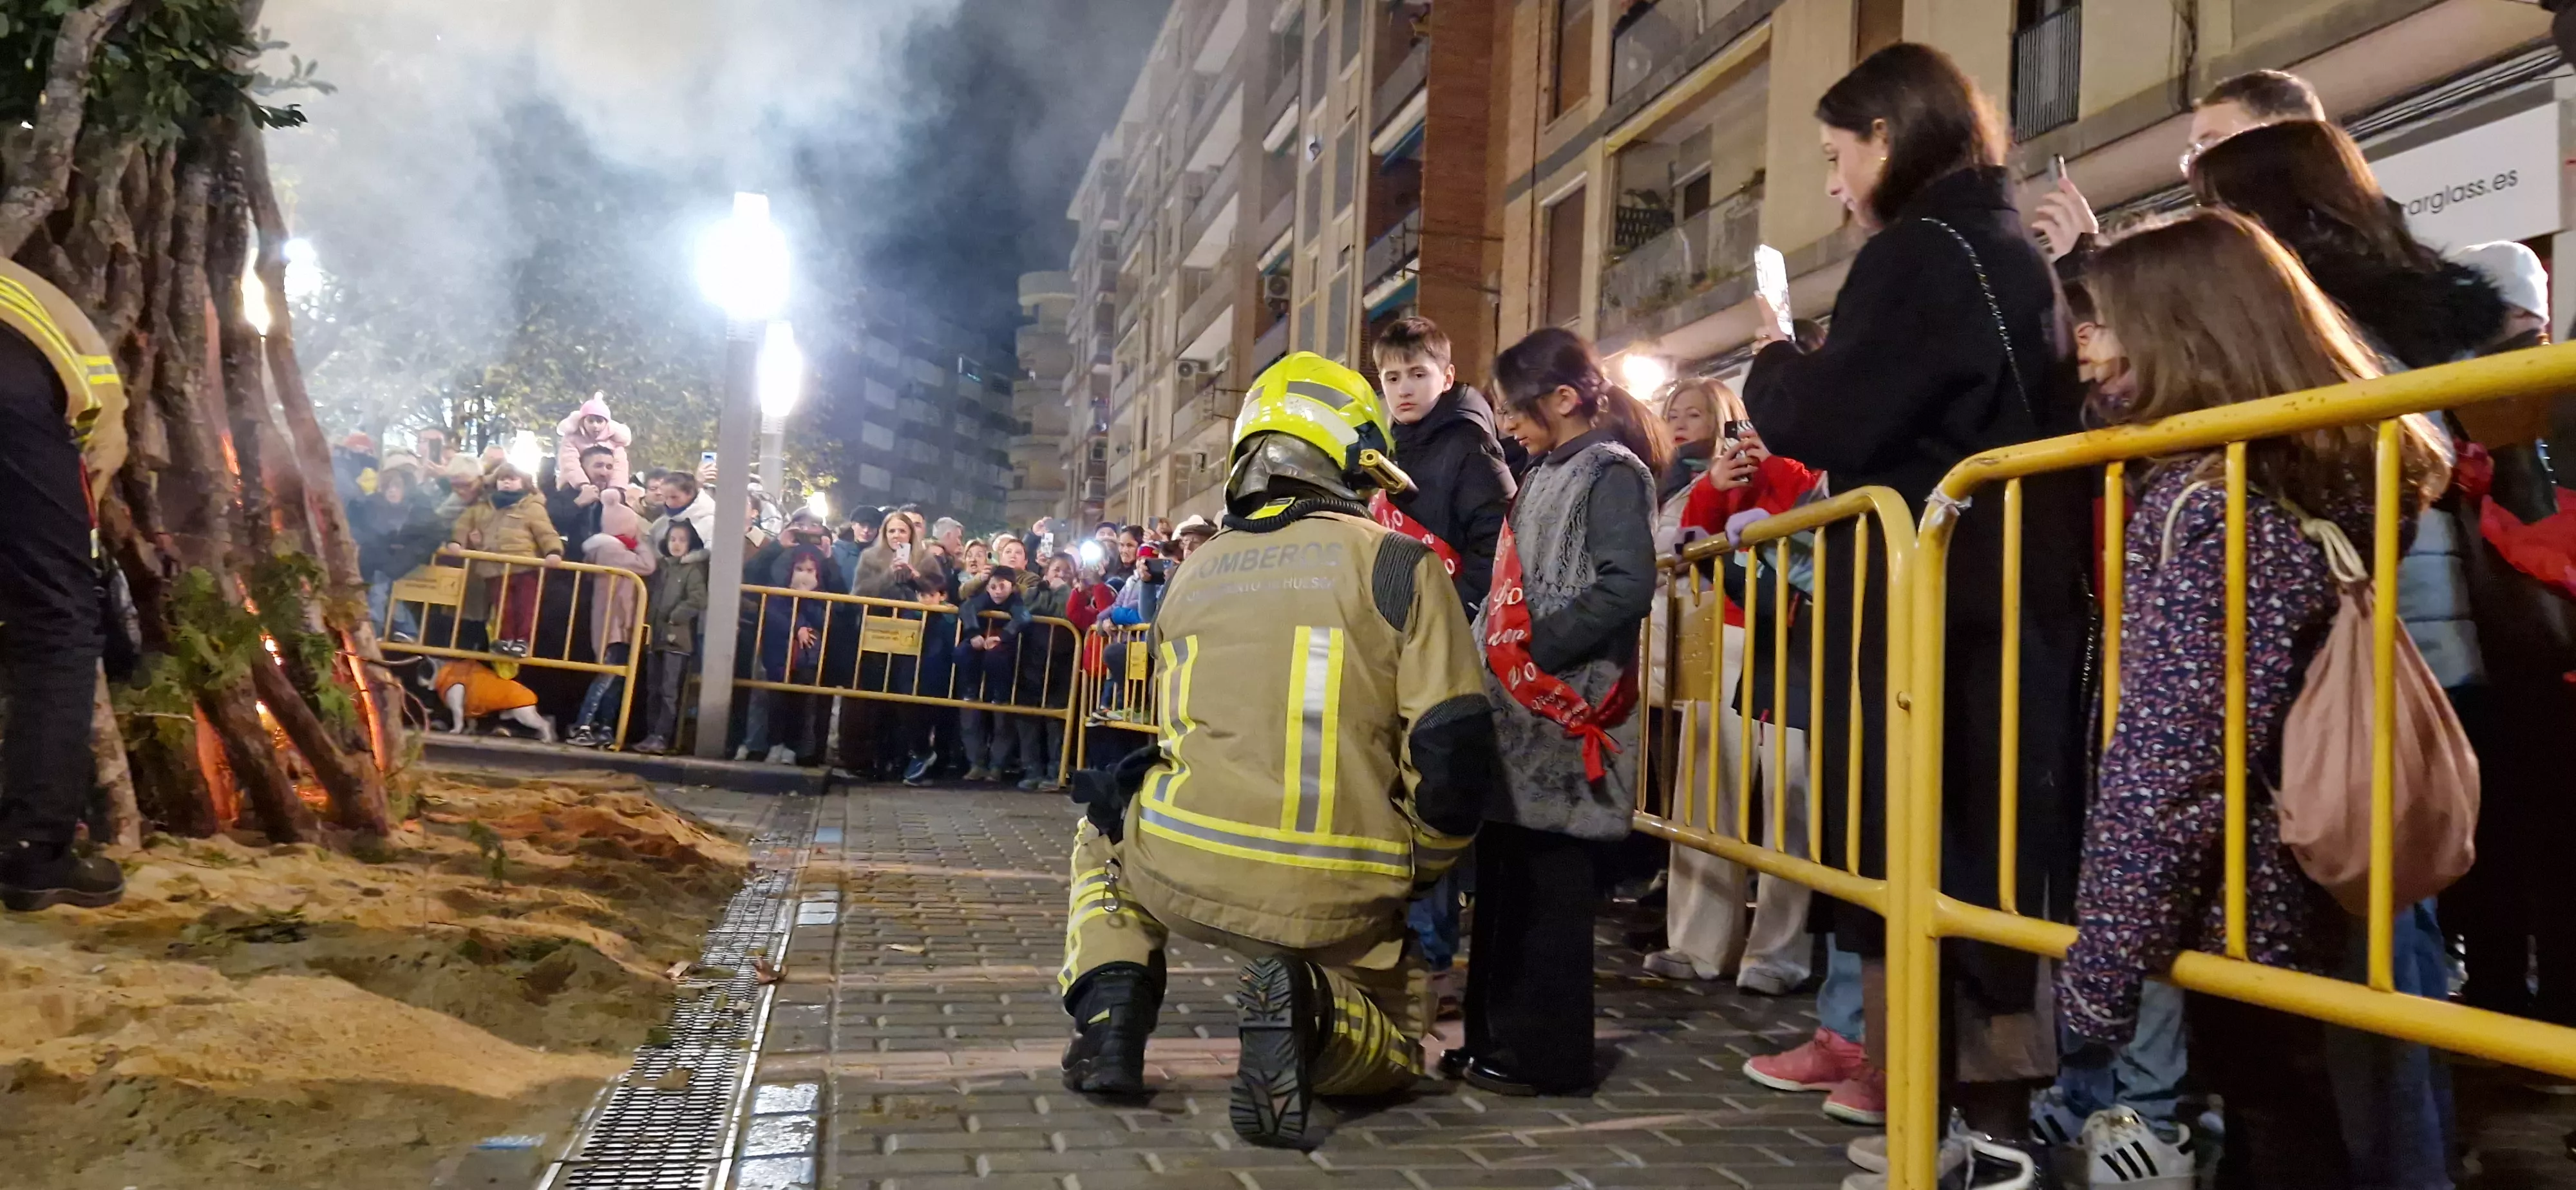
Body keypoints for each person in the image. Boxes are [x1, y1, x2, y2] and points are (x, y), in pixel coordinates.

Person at [1738, 42, 2094, 1166]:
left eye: (1838, 157)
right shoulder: (1991, 246)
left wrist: (1770, 359)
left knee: (1951, 871)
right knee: (1966, 871)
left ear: (1887, 137)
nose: (1835, 185)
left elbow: (1834, 418)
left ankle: (1977, 1137)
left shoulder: (1925, 252)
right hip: (1993, 612)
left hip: (1951, 626)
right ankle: (1945, 1124)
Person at [2058, 209, 2456, 1189]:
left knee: (2288, 1124)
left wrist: (2096, 984)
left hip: (2256, 904)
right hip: (2307, 887)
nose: (2083, 347)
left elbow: (2174, 759)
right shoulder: (2294, 477)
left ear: (2183, 328)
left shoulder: (2223, 505)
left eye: (2103, 322)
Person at [1054, 352, 1498, 1149]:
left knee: (1101, 837)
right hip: (1346, 891)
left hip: (1190, 866)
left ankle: (1111, 1022)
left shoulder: (1193, 573)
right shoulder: (1398, 563)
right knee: (1391, 1051)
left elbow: (1175, 731)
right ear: (1352, 455)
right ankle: (1313, 1012)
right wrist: (1419, 863)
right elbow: (1452, 746)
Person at [1444, 327, 1664, 1099]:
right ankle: (1492, 1037)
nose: (1505, 424)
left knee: (1551, 903)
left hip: (1564, 719)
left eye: (1515, 409)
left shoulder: (1610, 472)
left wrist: (1538, 646)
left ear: (1564, 399)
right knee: (1504, 892)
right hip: (1516, 721)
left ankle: (1546, 1053)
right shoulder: (1542, 471)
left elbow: (1626, 584)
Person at [1642, 378, 1824, 999]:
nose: (1685, 424)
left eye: (1700, 413)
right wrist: (1715, 492)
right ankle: (1695, 943)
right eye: (1676, 414)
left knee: (1787, 798)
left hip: (1786, 644)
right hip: (1717, 637)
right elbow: (1690, 549)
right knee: (1703, 793)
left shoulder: (1804, 468)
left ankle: (1777, 952)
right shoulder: (1697, 481)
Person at [1368, 313, 1516, 1012]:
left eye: (1416, 375)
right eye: (1391, 377)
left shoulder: (1471, 450)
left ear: (1447, 375)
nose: (1402, 389)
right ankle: (1395, 945)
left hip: (1446, 648)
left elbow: (1496, 558)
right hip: (1387, 645)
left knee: (1432, 797)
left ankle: (1434, 962)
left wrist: (1442, 612)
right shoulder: (1377, 451)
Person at [0, 258, 128, 911]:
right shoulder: (97, 398)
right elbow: (93, 466)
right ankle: (34, 853)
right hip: (13, 382)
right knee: (58, 620)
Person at [445, 462, 564, 657]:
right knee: (502, 607)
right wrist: (457, 541)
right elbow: (463, 525)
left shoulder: (532, 507)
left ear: (524, 483)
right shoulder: (482, 507)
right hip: (495, 567)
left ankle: (523, 640)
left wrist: (553, 551)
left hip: (525, 566)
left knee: (526, 607)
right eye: (503, 479)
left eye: (512, 479)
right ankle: (506, 638)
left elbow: (545, 532)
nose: (507, 483)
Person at [569, 491, 657, 748]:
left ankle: (605, 727)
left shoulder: (604, 548)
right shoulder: (610, 550)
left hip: (619, 622)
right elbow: (648, 565)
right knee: (607, 676)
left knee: (617, 677)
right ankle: (583, 724)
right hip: (614, 623)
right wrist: (641, 543)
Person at [739, 545, 831, 765]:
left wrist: (807, 600)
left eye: (810, 570)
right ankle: (773, 744)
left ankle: (792, 747)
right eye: (800, 569)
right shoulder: (777, 593)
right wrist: (798, 626)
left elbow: (820, 620)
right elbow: (775, 615)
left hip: (805, 659)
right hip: (778, 655)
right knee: (774, 702)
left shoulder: (820, 597)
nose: (804, 575)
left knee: (800, 704)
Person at [632, 520, 708, 755]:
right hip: (655, 636)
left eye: (682, 540)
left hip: (677, 638)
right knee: (653, 688)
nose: (677, 544)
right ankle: (651, 733)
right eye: (673, 539)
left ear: (690, 543)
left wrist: (676, 616)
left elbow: (698, 599)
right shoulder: (662, 567)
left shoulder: (692, 570)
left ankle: (663, 736)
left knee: (669, 690)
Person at [355, 461, 448, 643]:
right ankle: (406, 632)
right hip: (377, 561)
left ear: (407, 489)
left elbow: (436, 533)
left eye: (396, 487)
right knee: (381, 591)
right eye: (387, 486)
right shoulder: (369, 507)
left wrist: (408, 554)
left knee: (380, 592)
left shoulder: (421, 510)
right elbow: (362, 532)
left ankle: (382, 632)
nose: (391, 491)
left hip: (405, 563)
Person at [1015, 552, 1083, 791]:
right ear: (1047, 572)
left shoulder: (1075, 594)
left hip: (1062, 662)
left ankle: (1057, 769)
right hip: (1032, 659)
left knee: (1057, 718)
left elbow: (1067, 613)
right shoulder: (1035, 590)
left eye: (1067, 571)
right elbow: (1031, 610)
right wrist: (1050, 592)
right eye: (1057, 570)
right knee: (1028, 716)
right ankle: (1031, 768)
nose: (1061, 574)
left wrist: (1063, 590)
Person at [956, 564, 1030, 781]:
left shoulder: (1016, 603)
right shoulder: (983, 599)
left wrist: (1003, 636)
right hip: (977, 670)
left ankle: (997, 765)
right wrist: (974, 634)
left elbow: (1024, 618)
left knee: (1001, 717)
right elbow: (966, 608)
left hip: (1003, 675)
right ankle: (976, 763)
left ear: (1013, 587)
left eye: (1003, 586)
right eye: (993, 586)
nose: (998, 591)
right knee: (971, 712)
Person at [554, 393, 632, 490]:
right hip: (572, 486)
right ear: (583, 421)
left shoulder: (615, 442)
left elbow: (620, 467)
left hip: (607, 488)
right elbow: (569, 463)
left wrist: (616, 489)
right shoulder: (571, 439)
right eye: (591, 421)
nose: (595, 426)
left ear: (606, 423)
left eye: (599, 421)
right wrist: (582, 485)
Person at [650, 470, 716, 554]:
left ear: (690, 494)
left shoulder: (709, 521)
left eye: (674, 497)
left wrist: (701, 556)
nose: (669, 503)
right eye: (665, 497)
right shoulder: (661, 523)